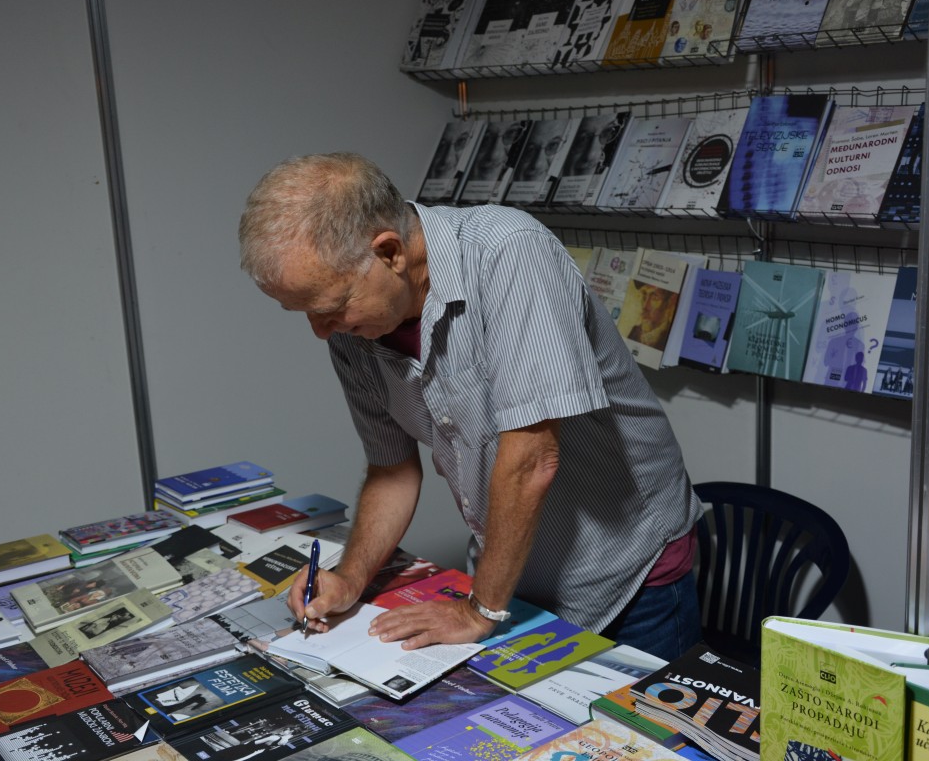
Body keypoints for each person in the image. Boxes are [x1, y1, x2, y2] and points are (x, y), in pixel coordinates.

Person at [237, 152, 702, 660]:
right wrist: (350, 577)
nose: (321, 331)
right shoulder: (354, 331)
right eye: (304, 312)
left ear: (389, 252)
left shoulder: (509, 251)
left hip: (625, 567)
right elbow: (392, 469)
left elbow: (531, 460)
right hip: (512, 570)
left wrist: (481, 610)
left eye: (330, 308)